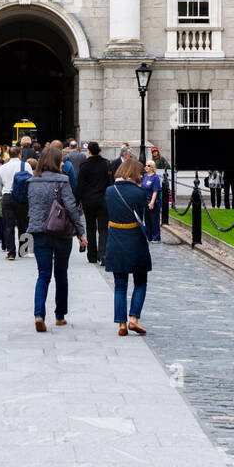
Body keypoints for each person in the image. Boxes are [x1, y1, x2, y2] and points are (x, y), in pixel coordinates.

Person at [25, 146, 87, 330]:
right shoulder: (63, 180)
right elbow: (71, 207)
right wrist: (80, 233)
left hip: (38, 232)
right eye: (60, 160)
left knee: (43, 275)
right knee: (61, 274)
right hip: (60, 232)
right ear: (56, 161)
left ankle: (38, 315)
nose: (63, 163)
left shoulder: (32, 181)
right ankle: (60, 315)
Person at [105, 158, 153, 336]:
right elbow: (144, 217)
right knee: (140, 281)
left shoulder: (109, 191)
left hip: (116, 237)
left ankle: (122, 324)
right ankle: (134, 318)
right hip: (135, 238)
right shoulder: (139, 193)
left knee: (120, 284)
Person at [76, 141, 112, 263]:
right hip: (103, 199)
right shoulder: (106, 164)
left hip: (88, 201)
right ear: (99, 151)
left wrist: (77, 201)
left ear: (89, 151)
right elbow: (110, 183)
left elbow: (80, 185)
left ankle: (92, 255)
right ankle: (103, 254)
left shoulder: (84, 165)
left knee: (90, 228)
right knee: (103, 228)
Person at [0, 144, 28, 259]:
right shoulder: (26, 165)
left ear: (9, 155)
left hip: (7, 197)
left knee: (8, 225)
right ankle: (23, 250)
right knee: (23, 224)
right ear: (20, 154)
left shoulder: (3, 167)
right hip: (22, 198)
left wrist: (1, 195)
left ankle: (11, 252)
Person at [139, 160, 163, 242]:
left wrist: (152, 202)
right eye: (146, 165)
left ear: (152, 168)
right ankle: (149, 237)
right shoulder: (145, 176)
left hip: (153, 202)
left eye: (148, 165)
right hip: (145, 201)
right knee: (147, 220)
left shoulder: (155, 177)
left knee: (154, 220)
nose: (146, 167)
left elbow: (155, 191)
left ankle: (156, 237)